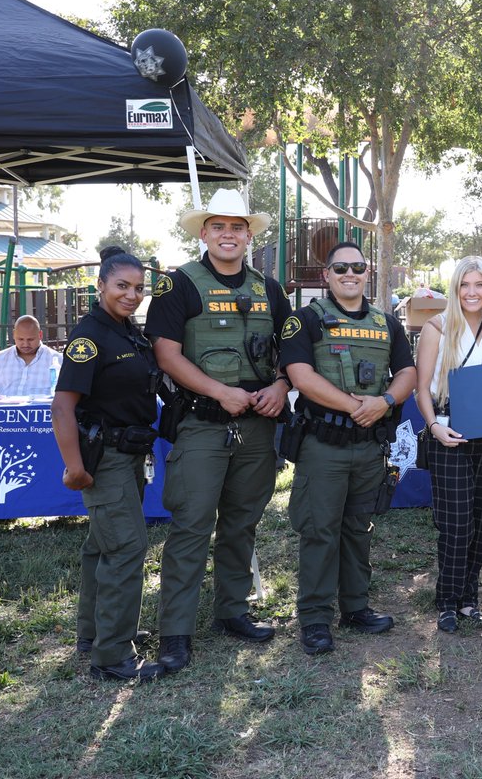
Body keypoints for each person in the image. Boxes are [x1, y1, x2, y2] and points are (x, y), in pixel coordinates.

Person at [145, 189, 292, 673]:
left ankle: (232, 611)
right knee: (191, 526)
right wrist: (219, 391)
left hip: (257, 427)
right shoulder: (178, 284)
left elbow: (293, 353)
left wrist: (281, 385)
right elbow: (166, 353)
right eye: (219, 226)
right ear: (204, 233)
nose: (228, 235)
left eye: (237, 227)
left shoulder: (271, 290)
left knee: (241, 522)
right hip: (202, 423)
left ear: (249, 236)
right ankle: (176, 632)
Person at [281, 241, 417, 655]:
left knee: (358, 528)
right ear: (327, 276)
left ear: (367, 272)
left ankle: (356, 607)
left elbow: (407, 372)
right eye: (340, 269)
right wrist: (358, 406)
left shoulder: (387, 323)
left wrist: (385, 401)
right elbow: (300, 376)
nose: (349, 274)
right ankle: (315, 619)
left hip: (369, 446)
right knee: (320, 531)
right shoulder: (305, 320)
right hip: (323, 445)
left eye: (357, 267)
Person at [51, 247, 164, 682]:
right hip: (106, 458)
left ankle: (96, 633)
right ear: (100, 286)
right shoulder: (90, 336)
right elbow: (62, 407)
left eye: (138, 288)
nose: (132, 295)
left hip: (129, 453)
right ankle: (113, 656)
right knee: (126, 548)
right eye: (122, 286)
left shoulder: (127, 331)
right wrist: (75, 467)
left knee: (101, 546)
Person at [416, 256, 482, 633]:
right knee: (456, 523)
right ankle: (446, 600)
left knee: (481, 520)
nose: (472, 292)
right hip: (448, 431)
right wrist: (433, 428)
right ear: (455, 289)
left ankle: (469, 599)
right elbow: (422, 390)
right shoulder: (437, 327)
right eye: (465, 285)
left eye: (479, 285)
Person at [0, 315, 61, 396]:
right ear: (13, 334)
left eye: (30, 339)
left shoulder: (58, 360)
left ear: (40, 335)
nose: (25, 344)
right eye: (20, 339)